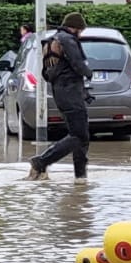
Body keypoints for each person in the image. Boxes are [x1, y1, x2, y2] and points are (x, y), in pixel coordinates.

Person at [27, 12, 94, 181]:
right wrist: (89, 73)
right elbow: (78, 65)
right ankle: (41, 161)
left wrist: (83, 92)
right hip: (70, 93)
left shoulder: (54, 40)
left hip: (63, 93)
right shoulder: (68, 40)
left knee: (80, 136)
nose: (81, 34)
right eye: (80, 30)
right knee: (79, 136)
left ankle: (80, 177)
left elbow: (52, 73)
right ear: (76, 28)